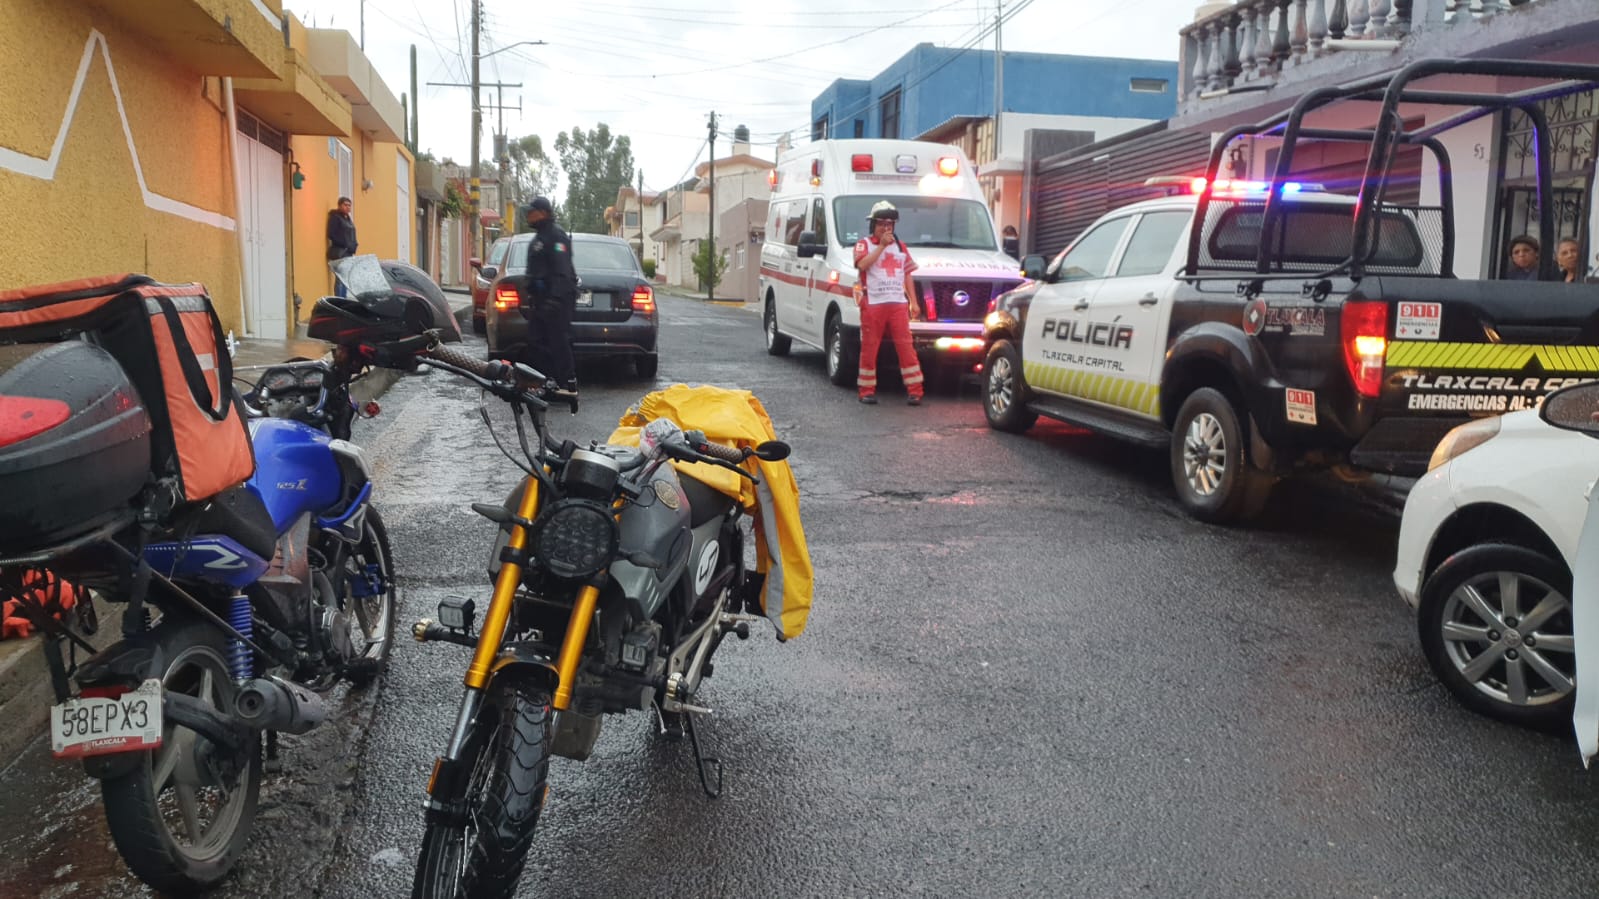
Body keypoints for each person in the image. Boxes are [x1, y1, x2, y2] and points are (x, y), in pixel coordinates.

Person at [853, 200, 925, 406]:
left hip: (897, 304)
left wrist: (914, 302)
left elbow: (907, 274)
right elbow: (863, 265)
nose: (886, 228)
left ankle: (915, 391)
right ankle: (866, 391)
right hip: (873, 303)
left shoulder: (901, 247)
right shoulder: (863, 244)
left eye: (890, 224)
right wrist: (881, 246)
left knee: (906, 347)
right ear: (873, 225)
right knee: (870, 347)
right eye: (882, 224)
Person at [520, 196, 579, 391]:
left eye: (532, 211)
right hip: (541, 300)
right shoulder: (539, 237)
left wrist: (554, 299)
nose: (528, 215)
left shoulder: (556, 236)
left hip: (558, 300)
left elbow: (562, 270)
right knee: (537, 342)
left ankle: (567, 384)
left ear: (543, 212)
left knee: (558, 341)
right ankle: (545, 382)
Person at [326, 197, 358, 298]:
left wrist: (355, 245)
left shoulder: (348, 219)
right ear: (339, 205)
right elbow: (331, 234)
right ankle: (339, 300)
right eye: (345, 205)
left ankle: (343, 299)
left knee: (345, 278)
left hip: (348, 252)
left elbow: (352, 234)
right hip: (340, 252)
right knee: (340, 279)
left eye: (349, 205)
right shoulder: (335, 217)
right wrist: (345, 244)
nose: (348, 207)